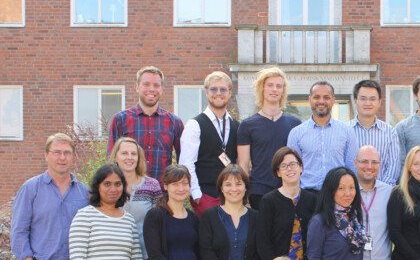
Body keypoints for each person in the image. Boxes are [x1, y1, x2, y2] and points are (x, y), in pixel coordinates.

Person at [237, 67, 302, 209]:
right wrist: (244, 196)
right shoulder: (247, 125)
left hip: (288, 191)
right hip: (258, 193)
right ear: (262, 89)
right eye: (270, 85)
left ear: (283, 91)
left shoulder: (295, 124)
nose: (274, 89)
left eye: (279, 86)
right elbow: (243, 165)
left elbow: (299, 161)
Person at [108, 66, 184, 185]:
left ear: (162, 89)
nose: (151, 89)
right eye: (146, 84)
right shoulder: (120, 119)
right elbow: (111, 161)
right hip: (128, 193)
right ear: (137, 87)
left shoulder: (175, 122)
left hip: (161, 193)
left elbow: (182, 162)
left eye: (156, 85)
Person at [179, 71, 239, 217]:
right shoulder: (195, 124)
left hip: (231, 196)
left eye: (223, 89)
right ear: (206, 92)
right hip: (206, 196)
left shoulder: (236, 125)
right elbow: (187, 163)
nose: (218, 93)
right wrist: (197, 195)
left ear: (230, 93)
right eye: (213, 89)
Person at [287, 81, 358, 193]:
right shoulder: (296, 133)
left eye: (326, 97)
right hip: (307, 196)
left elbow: (351, 168)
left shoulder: (347, 132)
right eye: (316, 97)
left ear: (333, 100)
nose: (321, 101)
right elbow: (292, 170)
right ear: (309, 99)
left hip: (338, 195)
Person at [256, 147, 317, 260]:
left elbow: (317, 240)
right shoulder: (268, 201)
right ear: (278, 172)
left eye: (293, 164)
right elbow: (263, 242)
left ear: (301, 167)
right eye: (283, 166)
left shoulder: (312, 200)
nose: (289, 169)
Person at [354, 146, 393, 260]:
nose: (369, 166)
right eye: (364, 161)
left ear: (380, 165)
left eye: (374, 162)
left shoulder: (390, 192)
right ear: (355, 163)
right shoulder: (347, 190)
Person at [346, 79, 401, 185]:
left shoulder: (390, 132)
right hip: (351, 195)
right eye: (363, 99)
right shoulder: (345, 131)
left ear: (379, 102)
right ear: (355, 101)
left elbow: (393, 167)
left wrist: (381, 191)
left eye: (372, 99)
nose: (368, 103)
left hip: (382, 195)